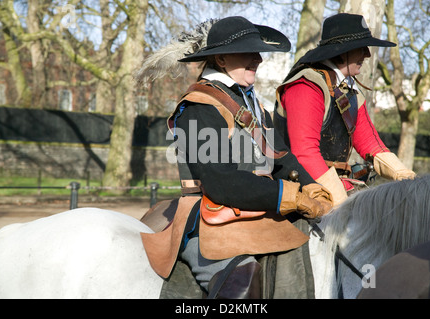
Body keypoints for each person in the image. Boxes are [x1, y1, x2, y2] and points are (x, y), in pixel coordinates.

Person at [137, 16, 333, 299]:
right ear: (221, 58)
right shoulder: (198, 107)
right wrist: (289, 196)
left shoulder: (252, 104)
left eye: (258, 52)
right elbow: (221, 182)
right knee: (245, 279)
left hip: (259, 208)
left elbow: (280, 157)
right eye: (248, 52)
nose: (259, 59)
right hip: (209, 219)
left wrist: (311, 186)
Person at [274, 13, 416, 206]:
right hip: (303, 194)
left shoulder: (349, 90)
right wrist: (342, 206)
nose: (367, 54)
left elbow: (371, 145)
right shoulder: (306, 86)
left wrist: (408, 179)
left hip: (336, 188)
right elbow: (305, 153)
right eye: (360, 48)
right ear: (341, 51)